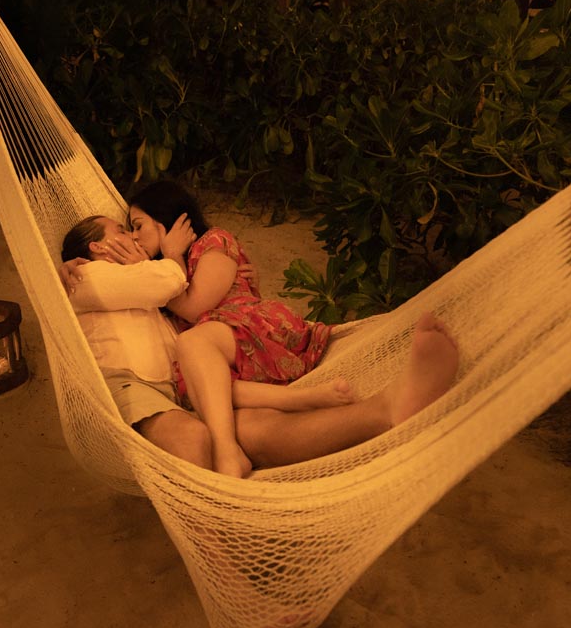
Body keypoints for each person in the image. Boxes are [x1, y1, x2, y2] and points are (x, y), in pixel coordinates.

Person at [59, 213, 460, 475]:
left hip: (183, 392)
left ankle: (384, 411)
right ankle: (224, 532)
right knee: (204, 432)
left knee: (252, 430)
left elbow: (185, 298)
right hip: (143, 388)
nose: (131, 236)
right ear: (96, 247)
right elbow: (166, 282)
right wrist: (165, 257)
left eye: (134, 226)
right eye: (121, 230)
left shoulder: (153, 280)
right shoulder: (87, 277)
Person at [126, 181, 334, 478]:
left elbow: (195, 308)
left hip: (256, 330)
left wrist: (171, 255)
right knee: (205, 387)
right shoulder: (159, 272)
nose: (134, 236)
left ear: (166, 218)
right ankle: (303, 400)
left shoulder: (213, 241)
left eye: (138, 226)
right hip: (219, 356)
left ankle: (226, 453)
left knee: (193, 345)